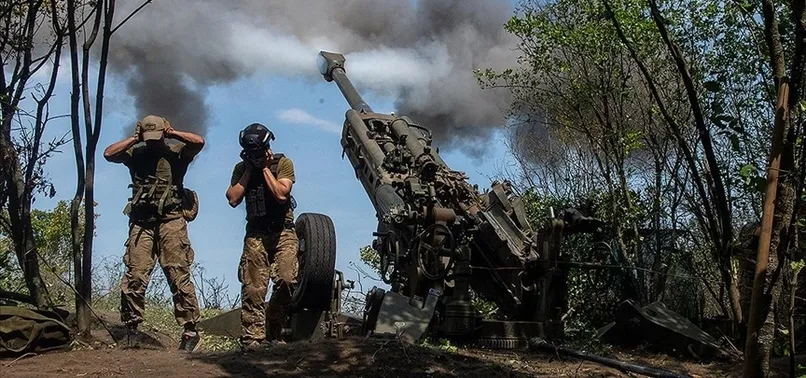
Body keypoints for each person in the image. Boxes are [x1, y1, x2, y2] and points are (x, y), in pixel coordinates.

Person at [103, 115, 205, 352]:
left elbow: (198, 142)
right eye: (147, 138)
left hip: (171, 220)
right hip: (141, 222)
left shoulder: (177, 152)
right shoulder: (135, 153)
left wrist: (173, 132)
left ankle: (191, 331)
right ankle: (132, 330)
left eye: (155, 137)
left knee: (178, 275)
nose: (151, 142)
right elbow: (108, 154)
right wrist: (134, 138)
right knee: (135, 276)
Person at [225, 123, 298, 349]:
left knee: (287, 279)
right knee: (253, 288)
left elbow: (280, 194)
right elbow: (232, 198)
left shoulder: (282, 164)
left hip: (283, 231)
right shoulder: (241, 169)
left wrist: (265, 169)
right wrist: (249, 170)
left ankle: (273, 330)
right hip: (256, 233)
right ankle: (252, 338)